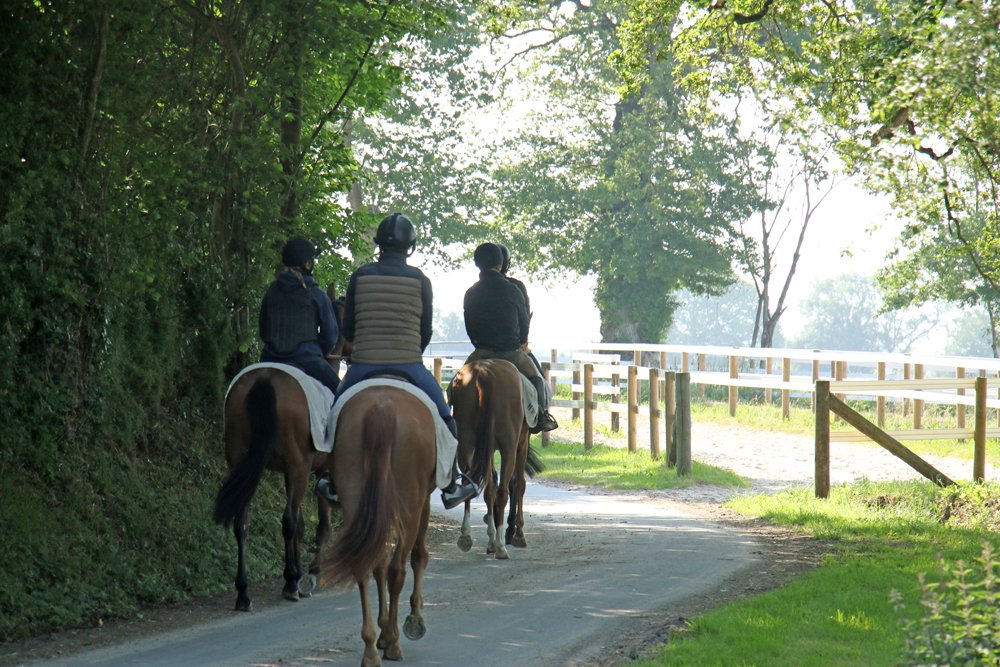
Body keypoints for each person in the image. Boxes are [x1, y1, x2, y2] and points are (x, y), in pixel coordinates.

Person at [324, 212, 478, 510]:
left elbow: (348, 329)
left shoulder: (360, 276)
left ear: (379, 243)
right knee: (446, 418)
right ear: (410, 246)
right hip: (408, 365)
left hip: (364, 366)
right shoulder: (420, 280)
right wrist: (410, 351)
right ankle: (452, 484)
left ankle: (331, 480)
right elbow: (425, 330)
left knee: (333, 415)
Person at [463, 243, 558, 433]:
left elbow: (470, 329)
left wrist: (481, 345)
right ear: (501, 264)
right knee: (537, 380)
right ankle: (541, 416)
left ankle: (454, 414)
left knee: (457, 383)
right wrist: (518, 342)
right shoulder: (515, 289)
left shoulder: (470, 293)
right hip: (511, 353)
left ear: (477, 263)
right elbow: (524, 327)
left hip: (482, 352)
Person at [259, 236, 342, 395]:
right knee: (341, 394)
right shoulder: (316, 294)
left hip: (269, 358)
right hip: (308, 360)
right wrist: (319, 351)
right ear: (308, 264)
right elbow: (331, 334)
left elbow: (263, 330)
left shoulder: (271, 291)